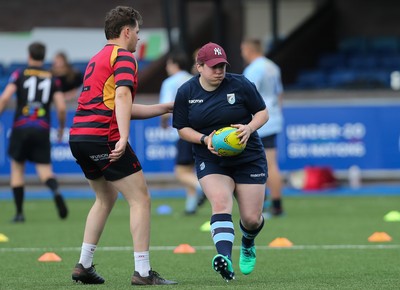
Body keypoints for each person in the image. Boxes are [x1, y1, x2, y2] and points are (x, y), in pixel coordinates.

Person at [68, 6, 177, 286]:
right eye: (138, 32)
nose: (139, 39)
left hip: (80, 136)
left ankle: (84, 264)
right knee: (140, 199)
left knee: (106, 197)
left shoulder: (97, 58)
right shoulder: (125, 56)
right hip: (104, 136)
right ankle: (142, 272)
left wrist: (164, 107)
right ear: (126, 31)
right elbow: (122, 97)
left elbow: (117, 102)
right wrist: (123, 137)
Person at [173, 42, 269, 281]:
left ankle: (247, 242)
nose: (219, 71)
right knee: (220, 202)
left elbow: (263, 112)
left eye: (222, 66)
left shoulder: (241, 84)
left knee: (251, 218)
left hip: (249, 157)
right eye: (214, 67)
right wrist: (205, 139)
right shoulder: (187, 91)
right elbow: (182, 129)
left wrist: (249, 127)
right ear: (199, 67)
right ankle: (224, 259)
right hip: (210, 157)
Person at [0, 42, 68, 223]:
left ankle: (19, 213)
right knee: (45, 171)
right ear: (44, 57)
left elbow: (5, 97)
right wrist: (61, 128)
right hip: (42, 129)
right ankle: (55, 190)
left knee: (17, 170)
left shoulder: (19, 74)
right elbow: (61, 108)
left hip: (21, 127)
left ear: (29, 55)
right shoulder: (53, 78)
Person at [241, 38, 284, 217]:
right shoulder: (273, 67)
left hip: (260, 121)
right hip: (273, 117)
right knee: (269, 163)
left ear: (249, 50)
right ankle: (272, 204)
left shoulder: (253, 69)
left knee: (266, 165)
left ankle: (273, 206)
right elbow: (279, 94)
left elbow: (247, 95)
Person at [159, 51, 204, 214]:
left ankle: (203, 188)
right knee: (189, 170)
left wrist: (163, 122)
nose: (166, 67)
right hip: (201, 128)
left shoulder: (170, 82)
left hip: (185, 129)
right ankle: (190, 206)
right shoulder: (194, 79)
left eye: (168, 64)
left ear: (174, 64)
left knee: (180, 172)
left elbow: (165, 108)